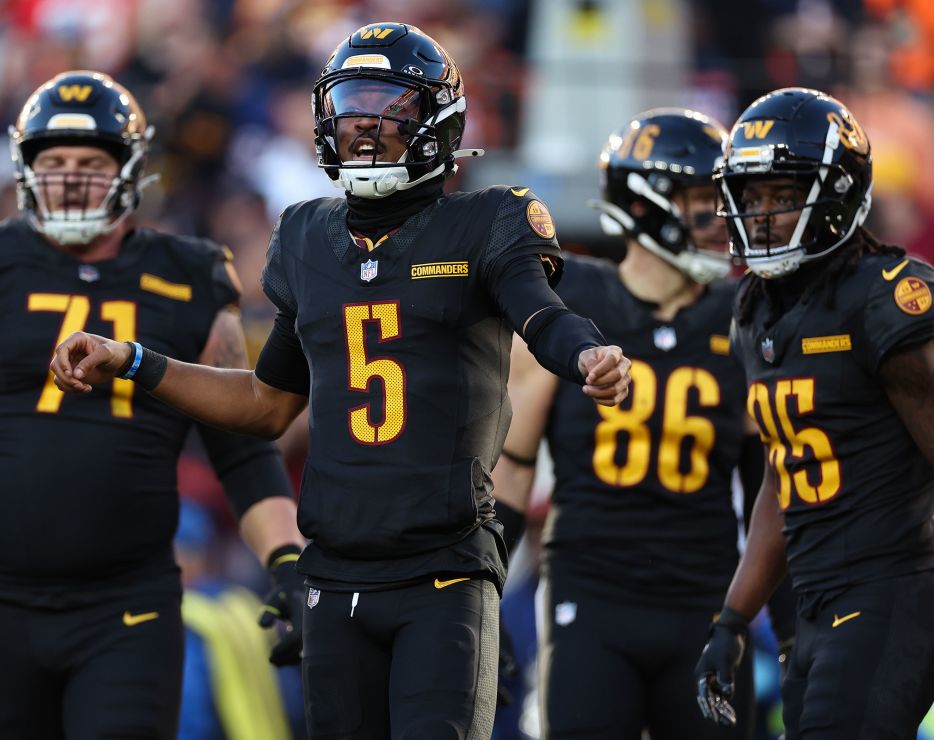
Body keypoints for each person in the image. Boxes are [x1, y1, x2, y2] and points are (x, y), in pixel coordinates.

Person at [50, 23, 631, 740]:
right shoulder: (303, 237)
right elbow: (265, 405)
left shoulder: (488, 220)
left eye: (390, 106)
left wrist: (587, 357)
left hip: (442, 571)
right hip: (334, 576)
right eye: (353, 105)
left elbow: (543, 316)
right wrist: (135, 362)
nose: (365, 124)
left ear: (437, 121)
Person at [0, 70, 308, 740]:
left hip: (130, 602)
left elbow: (244, 445)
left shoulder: (188, 275)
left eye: (91, 162)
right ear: (25, 168)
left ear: (130, 170)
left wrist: (286, 562)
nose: (71, 178)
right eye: (53, 162)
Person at [492, 108, 781, 739]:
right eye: (706, 202)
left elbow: (775, 486)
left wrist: (788, 627)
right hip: (592, 599)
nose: (721, 221)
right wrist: (482, 608)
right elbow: (512, 469)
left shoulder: (745, 314)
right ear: (649, 205)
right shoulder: (570, 302)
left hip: (705, 599)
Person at [694, 87, 934, 738]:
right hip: (816, 598)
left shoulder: (886, 301)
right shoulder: (756, 310)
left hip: (893, 586)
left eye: (782, 194)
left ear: (839, 194)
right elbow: (786, 468)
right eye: (753, 197)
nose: (764, 214)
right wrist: (733, 618)